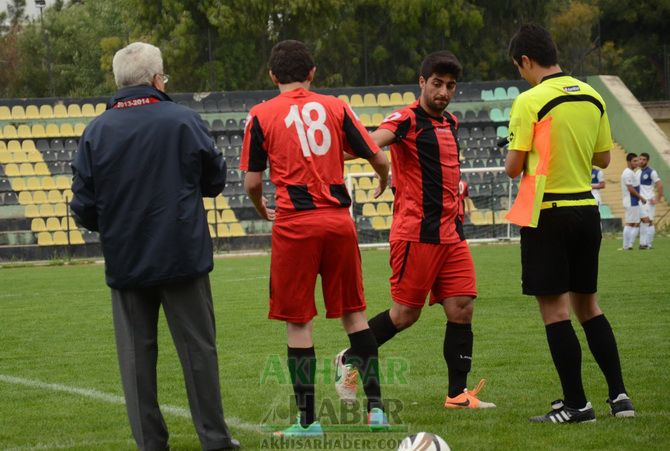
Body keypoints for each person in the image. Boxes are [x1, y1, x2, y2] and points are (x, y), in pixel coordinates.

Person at [70, 42, 239, 450]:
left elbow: (84, 206)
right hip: (183, 254)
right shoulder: (183, 119)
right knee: (198, 351)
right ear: (157, 78)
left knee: (136, 358)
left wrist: (116, 227)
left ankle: (151, 443)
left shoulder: (96, 130)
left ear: (117, 82)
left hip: (127, 260)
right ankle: (215, 440)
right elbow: (215, 181)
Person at [240, 40, 391, 437]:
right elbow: (378, 156)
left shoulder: (260, 114)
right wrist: (383, 179)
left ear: (273, 76)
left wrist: (260, 208)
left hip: (295, 225)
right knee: (355, 315)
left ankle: (308, 422)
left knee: (298, 322)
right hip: (338, 222)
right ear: (312, 73)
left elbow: (252, 181)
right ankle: (376, 411)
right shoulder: (336, 107)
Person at [335, 51, 495, 410]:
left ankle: (457, 395)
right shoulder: (406, 119)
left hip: (452, 233)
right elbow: (371, 141)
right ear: (422, 83)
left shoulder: (451, 122)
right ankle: (349, 357)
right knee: (406, 314)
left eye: (450, 86)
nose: (443, 91)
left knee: (462, 306)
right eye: (436, 84)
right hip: (416, 233)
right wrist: (330, 155)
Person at [505, 24, 634, 423]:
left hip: (548, 213)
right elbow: (603, 159)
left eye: (519, 68)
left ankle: (577, 405)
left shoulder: (530, 100)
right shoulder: (593, 96)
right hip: (586, 211)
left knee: (556, 312)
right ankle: (620, 398)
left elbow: (513, 168)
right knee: (588, 306)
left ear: (526, 60)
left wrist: (527, 153)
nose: (521, 75)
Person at [638, 152, 664, 249]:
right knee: (643, 222)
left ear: (647, 161)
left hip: (648, 200)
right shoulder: (638, 172)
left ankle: (648, 244)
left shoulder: (651, 172)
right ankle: (643, 244)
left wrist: (658, 198)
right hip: (640, 201)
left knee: (649, 221)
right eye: (640, 159)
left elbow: (660, 185)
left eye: (644, 159)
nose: (641, 161)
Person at [621, 153, 645, 250]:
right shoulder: (627, 173)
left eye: (637, 160)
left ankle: (629, 245)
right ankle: (626, 246)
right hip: (631, 201)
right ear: (628, 162)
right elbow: (630, 188)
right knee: (630, 223)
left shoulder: (631, 172)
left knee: (635, 222)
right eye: (634, 161)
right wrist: (641, 197)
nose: (637, 162)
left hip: (633, 201)